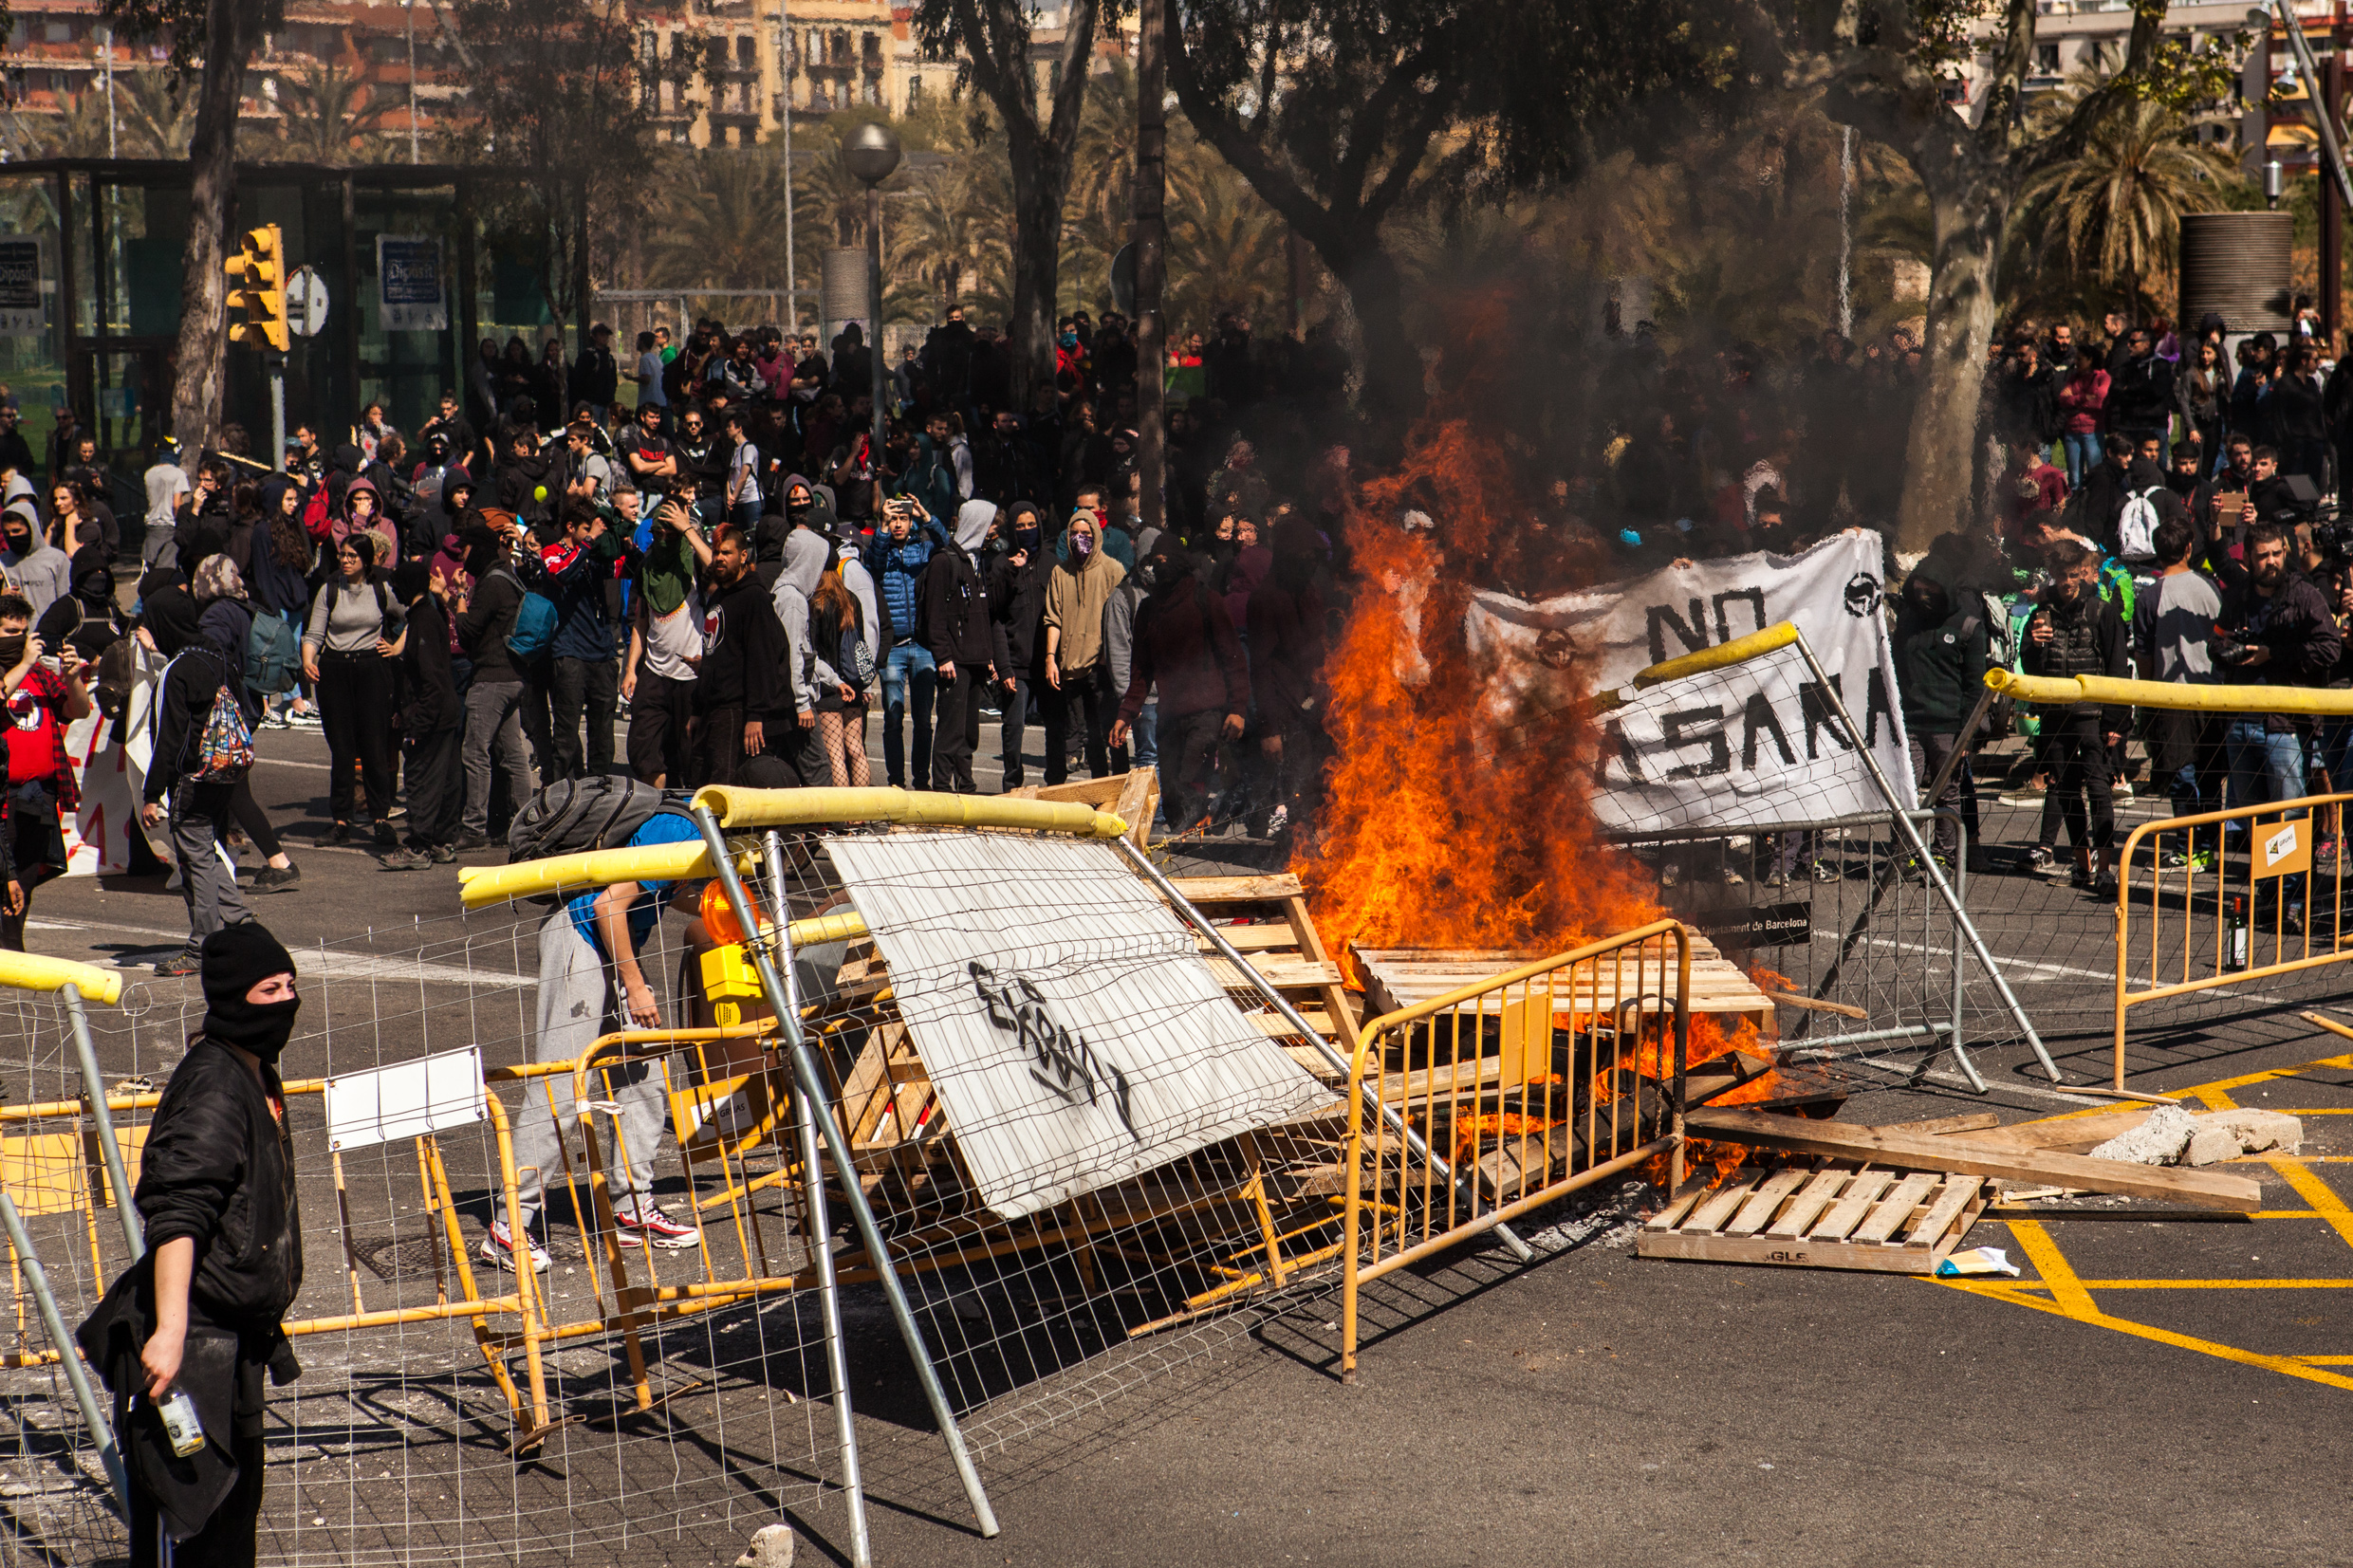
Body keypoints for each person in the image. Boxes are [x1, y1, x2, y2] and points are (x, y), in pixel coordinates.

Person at [82, 921, 304, 1567]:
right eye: (270, 988)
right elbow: (179, 1211)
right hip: (197, 1348)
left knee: (231, 1522)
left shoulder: (254, 1068)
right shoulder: (215, 1082)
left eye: (291, 983)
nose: (286, 998)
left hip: (237, 1344)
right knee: (197, 1527)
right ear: (234, 998)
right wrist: (171, 1330)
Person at [488, 811, 703, 1270]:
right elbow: (609, 905)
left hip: (608, 942)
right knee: (561, 1083)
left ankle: (630, 1208)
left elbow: (664, 891)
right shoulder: (682, 831)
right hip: (581, 937)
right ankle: (509, 1226)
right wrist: (635, 982)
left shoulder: (704, 839)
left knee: (644, 1077)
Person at [2214, 520, 2340, 931]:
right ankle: (2271, 893)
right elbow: (2214, 641)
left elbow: (2329, 648)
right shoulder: (2238, 596)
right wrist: (2229, 650)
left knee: (2290, 817)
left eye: (2276, 554)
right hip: (2241, 722)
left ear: (2286, 551)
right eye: (2262, 555)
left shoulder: (2304, 595)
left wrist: (2273, 654)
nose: (2271, 562)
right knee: (2255, 818)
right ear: (2248, 558)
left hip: (2286, 726)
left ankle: (2296, 899)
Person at [143, 596, 260, 974]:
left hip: (191, 779)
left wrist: (152, 792)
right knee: (208, 854)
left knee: (195, 863)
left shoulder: (176, 671)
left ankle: (201, 948)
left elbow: (168, 737)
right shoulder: (219, 658)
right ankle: (241, 922)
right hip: (225, 773)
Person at [1111, 547, 1248, 832]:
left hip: (1206, 714)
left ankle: (1198, 835)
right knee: (1171, 789)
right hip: (1169, 714)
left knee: (1190, 778)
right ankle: (1183, 838)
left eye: (1164, 561)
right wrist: (1126, 713)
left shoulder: (1206, 600)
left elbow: (1233, 658)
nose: (1159, 569)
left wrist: (1238, 709)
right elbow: (1141, 670)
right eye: (1154, 563)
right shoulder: (1148, 611)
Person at [2022, 540, 2129, 895]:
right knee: (2064, 789)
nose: (2068, 583)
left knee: (2099, 789)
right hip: (2054, 715)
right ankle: (2082, 865)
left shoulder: (2102, 611)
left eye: (2074, 575)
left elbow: (2117, 668)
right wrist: (2035, 644)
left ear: (2083, 571)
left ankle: (2106, 869)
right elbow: (2030, 666)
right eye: (2061, 576)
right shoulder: (2040, 611)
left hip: (2093, 716)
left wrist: (2115, 721)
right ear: (2051, 573)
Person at [0, 591, 90, 949]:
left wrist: (72, 677)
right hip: (4, 793)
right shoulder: (22, 667)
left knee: (26, 873)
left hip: (39, 791)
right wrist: (22, 662)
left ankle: (11, 944)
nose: (19, 640)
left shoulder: (38, 672)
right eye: (9, 632)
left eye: (23, 632)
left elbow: (78, 709)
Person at [301, 533, 402, 848]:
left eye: (351, 556)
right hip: (335, 671)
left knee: (374, 747)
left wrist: (397, 645)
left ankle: (380, 819)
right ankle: (341, 820)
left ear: (367, 560)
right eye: (342, 555)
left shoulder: (382, 589)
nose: (344, 561)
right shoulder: (329, 590)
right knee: (342, 750)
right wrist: (308, 660)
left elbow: (413, 614)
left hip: (372, 670)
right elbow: (314, 632)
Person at [1893, 544, 1988, 873]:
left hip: (1949, 728)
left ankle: (1945, 856)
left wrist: (1966, 737)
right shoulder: (1907, 621)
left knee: (1947, 794)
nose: (1924, 596)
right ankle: (1901, 857)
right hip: (1910, 725)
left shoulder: (1969, 627)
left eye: (1930, 589)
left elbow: (1976, 687)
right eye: (1918, 589)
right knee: (1904, 793)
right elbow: (1895, 668)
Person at [2136, 514, 2224, 847]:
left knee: (2181, 774)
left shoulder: (2149, 597)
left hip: (2171, 699)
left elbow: (2143, 654)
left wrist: (2148, 696)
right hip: (2213, 693)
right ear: (2188, 549)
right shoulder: (2209, 588)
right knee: (2210, 774)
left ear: (2158, 553)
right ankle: (2209, 845)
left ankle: (2189, 846)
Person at [692, 524, 793, 787]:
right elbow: (713, 654)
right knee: (699, 777)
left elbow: (763, 661)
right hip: (712, 708)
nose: (719, 558)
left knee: (723, 785)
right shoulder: (719, 596)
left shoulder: (754, 598)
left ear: (744, 556)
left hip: (736, 711)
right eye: (716, 553)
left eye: (727, 552)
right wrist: (697, 709)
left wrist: (756, 716)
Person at [454, 524, 536, 848]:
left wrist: (460, 597)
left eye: (465, 549)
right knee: (514, 756)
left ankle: (474, 828)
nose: (461, 555)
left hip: (491, 680)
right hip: (514, 677)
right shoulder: (509, 577)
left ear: (478, 549)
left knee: (475, 753)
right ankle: (524, 824)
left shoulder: (490, 584)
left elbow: (469, 631)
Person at [380, 561, 465, 869]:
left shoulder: (423, 620)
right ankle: (442, 842)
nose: (394, 590)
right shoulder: (426, 616)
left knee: (421, 781)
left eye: (397, 585)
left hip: (432, 715)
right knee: (446, 780)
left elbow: (430, 678)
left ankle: (417, 847)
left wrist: (417, 724)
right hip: (443, 712)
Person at [624, 495, 711, 787]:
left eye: (669, 535)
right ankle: (657, 809)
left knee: (689, 755)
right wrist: (630, 668)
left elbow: (716, 568)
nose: (662, 540)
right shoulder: (646, 570)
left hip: (691, 676)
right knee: (643, 748)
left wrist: (688, 531)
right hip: (654, 673)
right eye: (657, 534)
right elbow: (641, 621)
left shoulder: (694, 566)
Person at [539, 497, 626, 781]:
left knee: (602, 738)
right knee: (565, 737)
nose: (595, 533)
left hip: (602, 653)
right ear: (570, 527)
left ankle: (599, 799)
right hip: (570, 652)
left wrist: (622, 538)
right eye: (589, 528)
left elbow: (627, 569)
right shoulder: (553, 552)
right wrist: (588, 543)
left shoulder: (592, 555)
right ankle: (556, 802)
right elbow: (561, 575)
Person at [862, 496, 948, 787]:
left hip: (923, 645)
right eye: (893, 519)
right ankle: (896, 781)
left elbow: (945, 544)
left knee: (924, 719)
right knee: (893, 717)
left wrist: (925, 514)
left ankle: (921, 780)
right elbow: (871, 564)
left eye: (903, 518)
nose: (898, 524)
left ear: (911, 522)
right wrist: (882, 527)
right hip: (893, 647)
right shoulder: (880, 549)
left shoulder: (922, 548)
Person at [917, 502, 1002, 793]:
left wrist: (988, 656)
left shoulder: (977, 561)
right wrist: (942, 656)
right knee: (950, 730)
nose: (994, 532)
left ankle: (965, 786)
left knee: (968, 732)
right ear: (978, 525)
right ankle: (941, 788)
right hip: (954, 662)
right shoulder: (945, 562)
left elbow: (982, 616)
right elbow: (935, 614)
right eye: (992, 526)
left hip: (977, 660)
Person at [1041, 509, 1126, 783]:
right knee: (1086, 737)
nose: (1080, 539)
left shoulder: (1113, 569)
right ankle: (1097, 796)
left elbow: (1121, 619)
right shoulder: (1060, 572)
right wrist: (1050, 658)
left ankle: (1118, 792)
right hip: (1070, 668)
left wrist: (1108, 656)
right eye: (1075, 533)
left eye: (1087, 534)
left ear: (1097, 535)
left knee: (1110, 734)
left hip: (1101, 669)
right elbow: (1053, 618)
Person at [2, 495, 69, 618]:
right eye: (7, 532)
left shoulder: (57, 559)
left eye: (17, 531)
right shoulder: (3, 561)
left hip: (48, 633)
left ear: (31, 528)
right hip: (14, 635)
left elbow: (67, 602)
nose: (11, 536)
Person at [142, 437, 192, 568]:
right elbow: (176, 504)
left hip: (152, 527)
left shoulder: (149, 473)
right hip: (169, 526)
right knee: (167, 569)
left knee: (152, 567)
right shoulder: (178, 474)